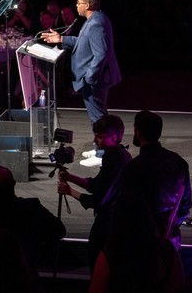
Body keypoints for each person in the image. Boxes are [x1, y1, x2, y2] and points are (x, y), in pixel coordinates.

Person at [57, 115, 132, 270]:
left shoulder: (117, 160)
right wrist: (70, 177)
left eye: (99, 137)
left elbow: (98, 201)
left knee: (98, 264)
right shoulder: (115, 155)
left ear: (114, 137)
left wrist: (70, 191)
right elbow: (95, 184)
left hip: (109, 225)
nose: (95, 140)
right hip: (110, 222)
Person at [41, 0, 121, 123]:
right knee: (98, 117)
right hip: (95, 78)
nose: (76, 5)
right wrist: (61, 39)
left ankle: (103, 137)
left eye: (79, 3)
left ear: (87, 5)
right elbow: (84, 41)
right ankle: (103, 136)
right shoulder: (95, 18)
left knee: (98, 118)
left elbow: (101, 54)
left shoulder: (96, 23)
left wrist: (89, 77)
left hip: (95, 80)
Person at [118, 111, 192, 248]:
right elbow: (185, 204)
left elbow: (126, 209)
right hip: (170, 240)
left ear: (137, 131)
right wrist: (171, 226)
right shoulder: (178, 161)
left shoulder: (133, 167)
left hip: (142, 242)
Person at [0, 165, 66, 272]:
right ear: (13, 184)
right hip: (27, 272)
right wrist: (34, 242)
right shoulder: (31, 207)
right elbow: (59, 230)